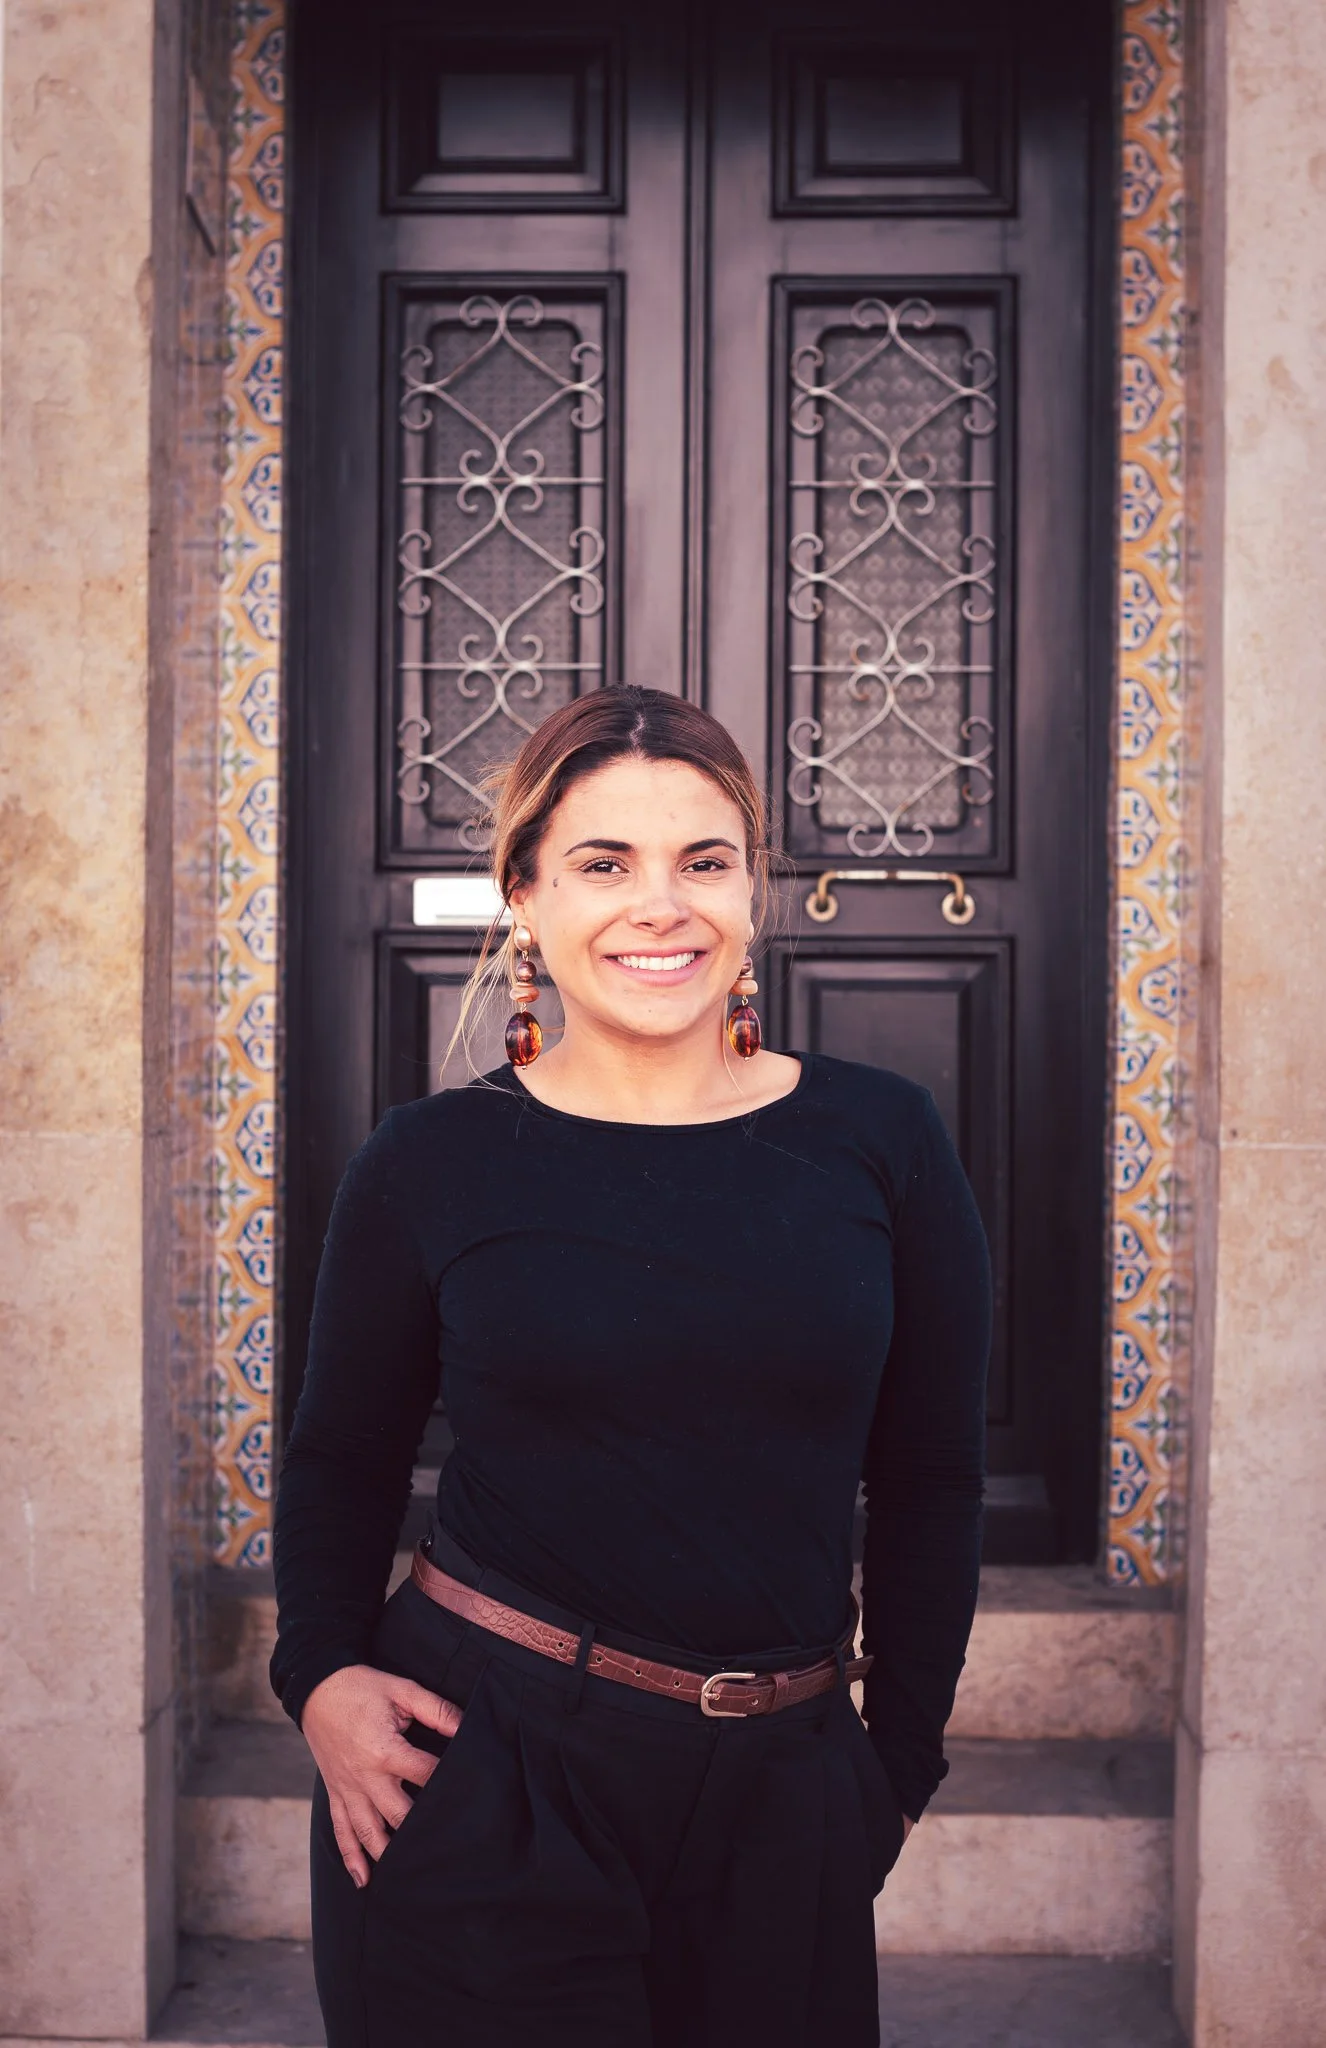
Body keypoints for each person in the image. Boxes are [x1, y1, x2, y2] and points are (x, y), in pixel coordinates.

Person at [271, 685, 991, 2048]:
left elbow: (930, 1478)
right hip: (489, 1767)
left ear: (750, 893)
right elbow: (340, 1458)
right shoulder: (428, 1161)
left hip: (785, 1782)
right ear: (523, 900)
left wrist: (892, 1761)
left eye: (702, 862)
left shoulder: (880, 1137)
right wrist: (317, 1673)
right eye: (603, 864)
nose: (660, 906)